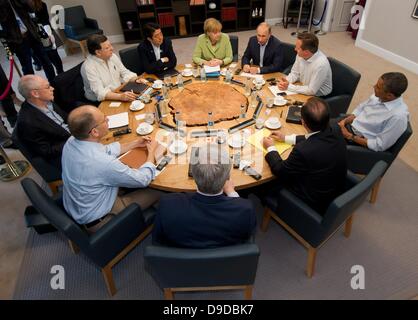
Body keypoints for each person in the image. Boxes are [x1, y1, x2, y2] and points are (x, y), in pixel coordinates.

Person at [62, 105, 162, 233]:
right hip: (102, 219)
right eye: (104, 119)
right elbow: (143, 180)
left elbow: (105, 151)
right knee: (163, 190)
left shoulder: (72, 141)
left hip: (81, 205)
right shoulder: (102, 163)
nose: (108, 119)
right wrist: (151, 152)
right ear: (94, 132)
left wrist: (135, 143)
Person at [153, 144, 256, 248]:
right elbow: (246, 236)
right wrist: (232, 193)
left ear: (193, 173)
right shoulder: (245, 209)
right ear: (228, 177)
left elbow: (158, 239)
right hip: (227, 261)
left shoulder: (168, 204)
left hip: (179, 260)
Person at [262, 97, 347, 215]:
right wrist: (286, 138)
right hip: (335, 187)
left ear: (303, 122)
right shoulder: (336, 128)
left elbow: (280, 171)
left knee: (263, 183)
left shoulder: (303, 151)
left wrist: (270, 148)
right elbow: (315, 137)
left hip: (313, 200)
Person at [338, 72, 409, 152]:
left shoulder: (398, 117)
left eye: (378, 87)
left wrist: (349, 136)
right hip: (349, 126)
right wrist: (343, 122)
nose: (374, 87)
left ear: (389, 95)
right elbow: (359, 110)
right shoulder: (377, 96)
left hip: (357, 141)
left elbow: (379, 145)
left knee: (323, 142)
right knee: (322, 125)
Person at [15, 75, 70, 171]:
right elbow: (46, 151)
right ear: (35, 93)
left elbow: (65, 119)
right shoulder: (27, 122)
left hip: (74, 137)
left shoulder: (46, 101)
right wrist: (74, 139)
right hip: (63, 154)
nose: (52, 88)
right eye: (48, 87)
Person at [81, 34, 147, 103]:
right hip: (99, 101)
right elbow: (100, 93)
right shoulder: (88, 67)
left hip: (117, 91)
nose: (112, 48)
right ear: (98, 52)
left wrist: (136, 79)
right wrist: (120, 97)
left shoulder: (112, 56)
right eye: (107, 48)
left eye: (110, 45)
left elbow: (124, 72)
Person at [0, 0, 56, 82]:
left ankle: (54, 84)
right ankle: (33, 90)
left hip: (32, 34)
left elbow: (31, 9)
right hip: (18, 40)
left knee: (46, 61)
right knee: (27, 68)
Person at [29, 0, 64, 75]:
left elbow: (45, 20)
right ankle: (37, 63)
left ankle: (61, 74)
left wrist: (49, 35)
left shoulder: (42, 5)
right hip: (33, 37)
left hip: (46, 32)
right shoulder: (21, 8)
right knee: (43, 59)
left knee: (54, 56)